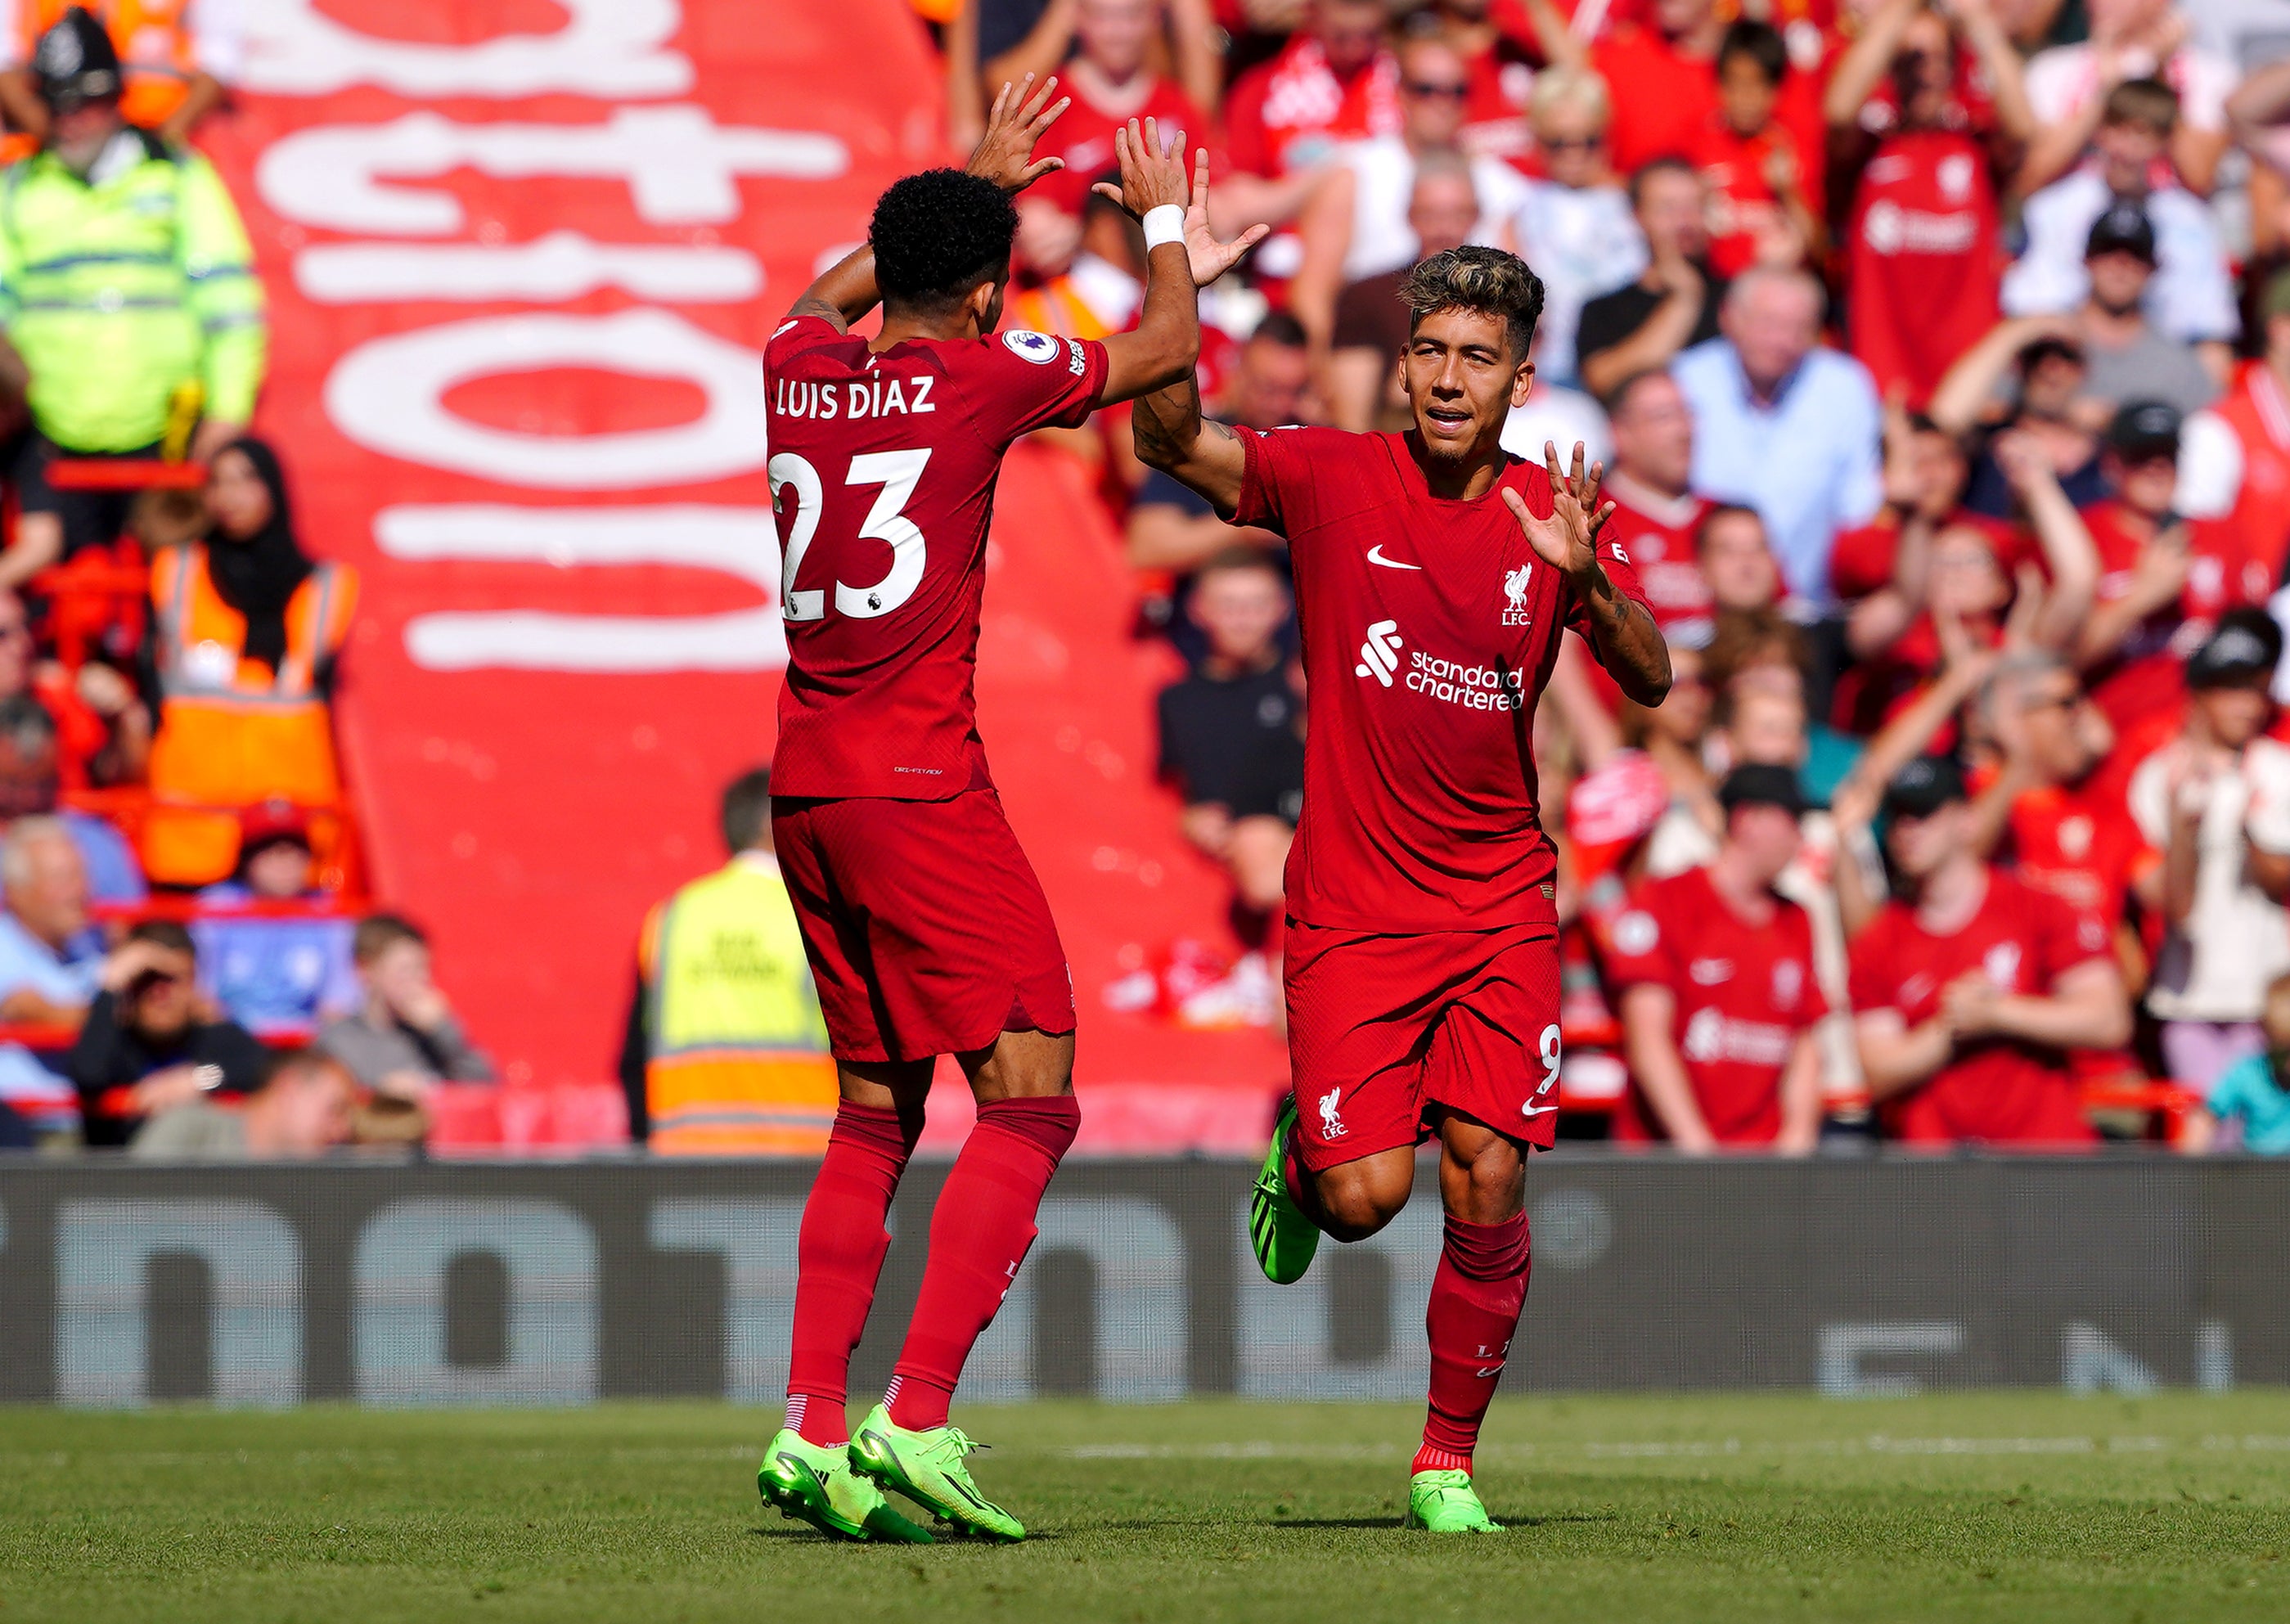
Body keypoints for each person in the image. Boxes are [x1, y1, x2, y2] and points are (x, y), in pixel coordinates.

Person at [756, 87, 1260, 1545]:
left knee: (874, 1106)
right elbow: (1161, 351)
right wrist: (1165, 225)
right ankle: (914, 1419)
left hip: (804, 782)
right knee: (1032, 1092)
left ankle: (804, 1426)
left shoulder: (794, 368)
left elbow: (814, 292)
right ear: (984, 296)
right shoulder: (977, 377)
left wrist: (961, 182)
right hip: (918, 782)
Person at [1133, 242, 1667, 1532]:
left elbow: (1648, 677)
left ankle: (1444, 1461)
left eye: (1474, 358)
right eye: (1427, 350)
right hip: (1354, 909)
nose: (1443, 377)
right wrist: (1174, 278)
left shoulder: (1551, 516)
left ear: (1519, 380)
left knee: (1487, 1172)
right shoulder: (1327, 475)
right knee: (1367, 1200)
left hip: (1498, 906)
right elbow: (1167, 441)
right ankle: (1305, 1159)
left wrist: (1586, 581)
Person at [0, 9, 264, 592]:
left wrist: (226, 414)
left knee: (171, 599)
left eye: (86, 103)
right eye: (58, 105)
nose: (71, 122)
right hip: (49, 442)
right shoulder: (20, 188)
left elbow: (230, 306)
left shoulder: (175, 177)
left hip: (166, 441)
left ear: (117, 99)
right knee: (60, 609)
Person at [1846, 754, 2130, 1149]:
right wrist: (1949, 1027)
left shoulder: (2037, 907)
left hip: (2044, 1159)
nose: (1908, 829)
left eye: (1925, 814)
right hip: (1939, 1175)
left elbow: (2108, 1020)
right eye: (1898, 817)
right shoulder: (1879, 941)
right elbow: (1878, 1070)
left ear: (1967, 821)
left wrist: (1998, 1013)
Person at [142, 436, 358, 887]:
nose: (230, 497)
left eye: (245, 480)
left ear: (274, 489)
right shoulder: (176, 572)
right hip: (191, 831)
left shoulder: (324, 589)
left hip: (288, 843)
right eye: (218, 483)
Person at [1823, 0, 2033, 407]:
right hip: (1882, 386)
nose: (1925, 72)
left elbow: (2024, 124)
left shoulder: (1975, 146)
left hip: (1967, 387)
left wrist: (1976, 21)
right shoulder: (1868, 147)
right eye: (1911, 58)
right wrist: (1901, 11)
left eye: (1939, 58)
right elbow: (1838, 107)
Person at [618, 767, 837, 1156]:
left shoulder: (671, 918)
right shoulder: (818, 914)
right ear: (778, 828)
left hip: (686, 1165)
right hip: (803, 1160)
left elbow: (633, 1054)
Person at [1606, 764, 1826, 1152]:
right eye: (1792, 820)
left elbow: (1804, 1042)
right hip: (1668, 1160)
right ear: (1748, 819)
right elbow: (1649, 1038)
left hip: (1763, 1162)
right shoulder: (1666, 900)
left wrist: (1797, 1141)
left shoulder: (1798, 920)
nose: (1800, 837)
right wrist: (1701, 1153)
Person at [2126, 612, 2290, 1095]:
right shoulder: (2158, 777)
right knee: (2206, 1149)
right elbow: (2174, 909)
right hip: (2188, 997)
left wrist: (2248, 824)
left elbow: (2280, 879)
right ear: (2199, 694)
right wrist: (2183, 830)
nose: (2246, 705)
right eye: (2230, 689)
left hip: (2270, 997)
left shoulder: (2277, 769)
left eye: (2255, 689)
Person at [1287, 34, 1528, 345]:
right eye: (1426, 89)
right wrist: (1328, 379)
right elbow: (1312, 294)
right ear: (1400, 93)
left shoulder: (1498, 184)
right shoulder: (1355, 172)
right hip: (1368, 353)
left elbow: (1518, 296)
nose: (1442, 103)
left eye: (1456, 91)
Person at [1671, 267, 1883, 605]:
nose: (1781, 341)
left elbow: (1858, 508)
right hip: (1698, 605)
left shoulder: (1845, 386)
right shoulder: (1685, 380)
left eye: (1798, 328)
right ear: (1730, 318)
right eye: (1768, 324)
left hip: (1805, 607)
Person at [2004, 79, 2238, 366]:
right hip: (2065, 360)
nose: (2126, 149)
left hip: (2159, 366)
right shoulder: (2052, 208)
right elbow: (2032, 312)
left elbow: (2208, 330)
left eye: (2143, 135)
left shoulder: (2189, 221)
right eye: (2118, 131)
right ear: (2099, 132)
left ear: (2164, 144)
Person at [2074, 401, 2265, 745]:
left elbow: (2255, 647)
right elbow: (2061, 659)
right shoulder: (2080, 538)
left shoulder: (2221, 533)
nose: (2157, 468)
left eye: (2168, 455)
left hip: (2206, 738)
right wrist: (2139, 599)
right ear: (2112, 464)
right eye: (2142, 456)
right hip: (2114, 737)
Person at [1155, 548, 1303, 986]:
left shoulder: (1300, 679)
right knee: (1260, 859)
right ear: (1198, 610)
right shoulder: (1178, 699)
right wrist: (1189, 818)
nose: (1243, 619)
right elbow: (1175, 784)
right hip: (1239, 841)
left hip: (1298, 826)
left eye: (1256, 605)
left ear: (1281, 609)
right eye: (1229, 605)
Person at [1127, 309, 1310, 655]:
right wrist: (1247, 527)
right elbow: (1145, 546)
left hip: (1293, 663)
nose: (1280, 405)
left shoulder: (1318, 448)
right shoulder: (1196, 443)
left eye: (1295, 391)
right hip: (1201, 657)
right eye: (1268, 388)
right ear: (1238, 370)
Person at [67, 918, 269, 1148]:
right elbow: (87, 1073)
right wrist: (109, 986)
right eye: (148, 978)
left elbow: (263, 1066)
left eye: (173, 980)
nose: (161, 993)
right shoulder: (113, 1043)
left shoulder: (211, 1037)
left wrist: (196, 1080)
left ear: (193, 984)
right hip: (121, 1176)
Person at [1505, 66, 1640, 389]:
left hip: (1626, 366)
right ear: (1539, 141)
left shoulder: (1633, 203)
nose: (1575, 154)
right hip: (1552, 372)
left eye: (1588, 141)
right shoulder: (1520, 209)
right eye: (1560, 143)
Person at [2018, 0, 2238, 197]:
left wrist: (2162, 75)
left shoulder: (2211, 74)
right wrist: (2103, 91)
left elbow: (2199, 176)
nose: (2096, 4)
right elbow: (2032, 177)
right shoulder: (2052, 68)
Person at [1328, 155, 1478, 432]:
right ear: (1410, 216)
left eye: (1457, 215)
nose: (1443, 229)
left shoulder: (1502, 299)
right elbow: (1353, 419)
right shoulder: (1367, 297)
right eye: (1430, 215)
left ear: (1476, 216)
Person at [189, 799, 357, 1042]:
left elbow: (338, 1003)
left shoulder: (329, 911)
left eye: (295, 847)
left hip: (308, 1048)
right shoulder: (215, 906)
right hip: (229, 1044)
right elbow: (201, 999)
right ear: (246, 857)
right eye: (269, 848)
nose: (285, 859)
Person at [1576, 157, 1723, 402]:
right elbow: (1604, 382)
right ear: (1637, 216)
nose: (1685, 221)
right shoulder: (1604, 310)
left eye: (1695, 207)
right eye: (1668, 208)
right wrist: (1684, 300)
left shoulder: (1737, 299)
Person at [0, 0, 241, 147]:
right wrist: (53, 139)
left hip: (156, 137)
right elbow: (5, 59)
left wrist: (164, 141)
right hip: (54, 144)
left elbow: (218, 60)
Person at [1692, 20, 1822, 279]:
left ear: (1776, 90)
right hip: (1715, 289)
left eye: (1758, 85)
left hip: (1777, 289)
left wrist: (1787, 192)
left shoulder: (1794, 149)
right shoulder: (1695, 145)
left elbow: (1819, 250)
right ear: (1719, 86)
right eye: (1736, 84)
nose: (1746, 98)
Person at [314, 913, 494, 1099]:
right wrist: (380, 1096)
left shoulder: (433, 1036)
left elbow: (485, 1086)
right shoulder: (339, 1040)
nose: (421, 979)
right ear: (366, 970)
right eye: (406, 970)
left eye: (424, 968)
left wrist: (443, 1030)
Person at [1222, 0, 1399, 181]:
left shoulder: (1414, 86)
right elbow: (1237, 192)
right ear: (1313, 15)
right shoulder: (1260, 91)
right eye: (1342, 38)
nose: (1356, 51)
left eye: (1369, 37)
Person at [0, 813, 98, 1132]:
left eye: (82, 875)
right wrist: (130, 1015)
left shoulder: (83, 949)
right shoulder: (5, 946)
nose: (80, 890)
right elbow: (34, 1010)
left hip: (80, 1127)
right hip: (23, 1136)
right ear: (18, 891)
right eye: (63, 878)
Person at [0, 693, 143, 901]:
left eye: (43, 784)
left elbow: (130, 923)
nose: (30, 798)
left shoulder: (98, 845)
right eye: (12, 784)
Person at [128, 1048, 358, 1160]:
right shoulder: (190, 1132)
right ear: (290, 1089)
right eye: (335, 1109)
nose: (343, 1130)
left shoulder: (318, 1185)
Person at [2181, 970, 2290, 1154]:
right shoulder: (2247, 1072)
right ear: (2265, 1034)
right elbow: (2205, 1118)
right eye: (2283, 1051)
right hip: (2258, 1175)